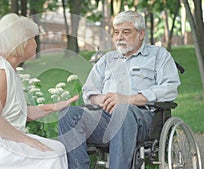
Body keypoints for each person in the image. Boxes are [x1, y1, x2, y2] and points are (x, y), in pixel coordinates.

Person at [58, 10, 181, 169]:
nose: (119, 37)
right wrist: (99, 99)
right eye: (116, 32)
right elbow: (89, 90)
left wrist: (128, 99)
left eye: (126, 32)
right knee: (68, 114)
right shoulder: (107, 59)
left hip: (142, 119)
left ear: (141, 34)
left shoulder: (158, 56)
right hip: (104, 119)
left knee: (123, 110)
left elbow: (169, 88)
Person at [0, 13, 78, 169]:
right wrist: (26, 139)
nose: (36, 44)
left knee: (58, 149)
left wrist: (53, 107)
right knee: (52, 155)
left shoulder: (7, 69)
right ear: (19, 41)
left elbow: (18, 113)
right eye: (32, 39)